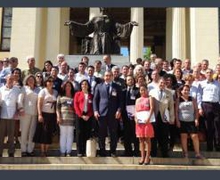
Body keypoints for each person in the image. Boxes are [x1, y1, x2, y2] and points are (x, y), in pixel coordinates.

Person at [65, 8, 138, 55]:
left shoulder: (111, 20)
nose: (104, 8)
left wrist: (130, 24)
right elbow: (86, 27)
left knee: (106, 51)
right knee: (97, 52)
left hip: (107, 39)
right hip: (97, 38)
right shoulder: (95, 19)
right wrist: (72, 24)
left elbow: (119, 28)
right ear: (100, 9)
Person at [93, 70, 123, 157]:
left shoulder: (117, 86)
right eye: (106, 75)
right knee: (101, 134)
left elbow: (120, 101)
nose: (108, 77)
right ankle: (102, 151)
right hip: (101, 114)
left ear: (112, 76)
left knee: (113, 133)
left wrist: (119, 110)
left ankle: (113, 151)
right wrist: (95, 111)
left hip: (113, 114)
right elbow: (95, 100)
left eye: (109, 75)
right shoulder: (99, 86)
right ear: (104, 77)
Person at [149, 77, 175, 157]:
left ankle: (164, 152)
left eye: (164, 83)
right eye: (161, 83)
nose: (162, 84)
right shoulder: (152, 92)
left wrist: (172, 118)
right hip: (154, 116)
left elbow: (171, 106)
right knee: (153, 135)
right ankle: (153, 152)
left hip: (164, 116)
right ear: (158, 83)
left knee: (164, 135)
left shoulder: (169, 93)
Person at [175, 85, 203, 159]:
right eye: (184, 90)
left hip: (191, 121)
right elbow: (176, 112)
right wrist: (177, 121)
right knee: (183, 137)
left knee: (194, 136)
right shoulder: (178, 100)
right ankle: (185, 154)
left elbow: (196, 110)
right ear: (181, 91)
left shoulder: (192, 99)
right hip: (182, 121)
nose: (186, 91)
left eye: (187, 90)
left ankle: (197, 153)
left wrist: (196, 119)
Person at [33, 76, 58, 157]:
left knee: (49, 133)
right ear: (46, 83)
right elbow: (39, 104)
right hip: (44, 114)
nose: (50, 83)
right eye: (49, 81)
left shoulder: (55, 92)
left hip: (52, 115)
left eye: (52, 81)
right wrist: (40, 114)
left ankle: (46, 150)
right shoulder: (42, 91)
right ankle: (42, 151)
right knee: (43, 133)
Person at [18, 75, 40, 157]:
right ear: (26, 81)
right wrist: (20, 108)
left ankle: (30, 150)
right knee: (24, 132)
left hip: (34, 114)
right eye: (29, 79)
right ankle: (23, 150)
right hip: (25, 113)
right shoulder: (24, 88)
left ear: (35, 81)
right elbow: (19, 100)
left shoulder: (38, 89)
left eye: (32, 79)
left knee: (32, 133)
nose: (31, 81)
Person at [0, 74, 21, 157]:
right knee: (1, 135)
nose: (10, 80)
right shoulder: (1, 89)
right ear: (6, 79)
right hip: (2, 115)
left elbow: (19, 102)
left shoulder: (17, 90)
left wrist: (17, 111)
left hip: (12, 115)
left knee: (11, 135)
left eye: (12, 79)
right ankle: (0, 152)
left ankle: (11, 152)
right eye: (9, 79)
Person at [135, 85, 154, 165]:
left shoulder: (150, 98)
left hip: (147, 121)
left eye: (144, 90)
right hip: (139, 122)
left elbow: (152, 108)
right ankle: (142, 156)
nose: (142, 91)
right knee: (141, 140)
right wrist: (135, 119)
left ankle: (147, 157)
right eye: (141, 90)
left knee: (147, 139)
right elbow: (135, 111)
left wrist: (149, 118)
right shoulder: (137, 100)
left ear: (147, 90)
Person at [74, 80, 93, 157]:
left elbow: (92, 107)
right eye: (82, 84)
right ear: (80, 86)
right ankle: (79, 151)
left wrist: (88, 115)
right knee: (79, 133)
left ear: (88, 86)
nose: (84, 85)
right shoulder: (77, 94)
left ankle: (86, 150)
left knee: (87, 133)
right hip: (79, 116)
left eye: (86, 84)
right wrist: (81, 115)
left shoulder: (91, 95)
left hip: (88, 116)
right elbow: (75, 106)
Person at [122, 75, 140, 157]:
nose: (130, 81)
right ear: (126, 81)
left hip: (135, 116)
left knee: (135, 134)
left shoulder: (138, 91)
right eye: (128, 80)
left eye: (131, 80)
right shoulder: (123, 91)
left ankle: (136, 152)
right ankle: (127, 152)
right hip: (125, 116)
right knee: (126, 134)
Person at [56, 81, 75, 157]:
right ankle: (62, 151)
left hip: (71, 119)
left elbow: (77, 107)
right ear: (64, 87)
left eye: (69, 86)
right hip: (62, 118)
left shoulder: (74, 96)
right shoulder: (60, 96)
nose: (68, 87)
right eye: (66, 86)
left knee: (70, 135)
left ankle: (68, 152)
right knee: (63, 135)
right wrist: (58, 117)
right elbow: (57, 108)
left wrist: (73, 108)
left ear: (71, 87)